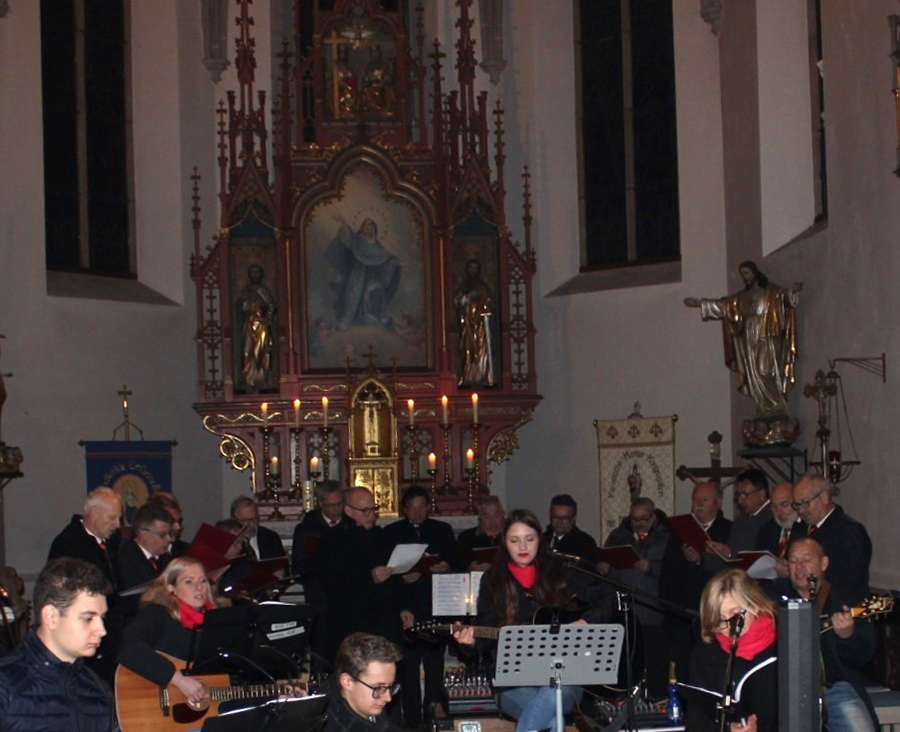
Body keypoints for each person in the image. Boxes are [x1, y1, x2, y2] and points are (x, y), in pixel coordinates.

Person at [454, 509, 613, 732]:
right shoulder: (493, 579)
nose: (522, 547)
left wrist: (585, 622)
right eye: (514, 540)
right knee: (549, 717)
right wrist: (469, 643)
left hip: (563, 677)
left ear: (540, 540)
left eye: (529, 539)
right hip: (511, 683)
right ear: (504, 542)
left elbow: (607, 595)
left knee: (553, 693)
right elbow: (486, 633)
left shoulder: (559, 571)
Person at [684, 261, 802, 445]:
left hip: (768, 338)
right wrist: (701, 303)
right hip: (750, 340)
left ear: (755, 273)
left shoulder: (770, 291)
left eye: (747, 273)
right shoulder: (741, 298)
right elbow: (724, 307)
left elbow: (784, 298)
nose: (745, 277)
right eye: (743, 275)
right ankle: (764, 411)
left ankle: (778, 409)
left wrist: (792, 292)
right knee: (755, 374)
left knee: (767, 371)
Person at [774, 537, 878, 731]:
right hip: (781, 686)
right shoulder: (773, 596)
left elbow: (862, 657)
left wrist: (847, 636)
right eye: (793, 561)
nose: (799, 567)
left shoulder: (845, 599)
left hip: (833, 687)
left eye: (806, 560)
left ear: (824, 563)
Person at [0, 558, 114, 731]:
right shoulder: (6, 684)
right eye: (88, 618)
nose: (102, 630)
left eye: (102, 618)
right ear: (51, 617)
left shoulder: (97, 689)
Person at [383, 486, 462, 728]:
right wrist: (400, 577)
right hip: (406, 605)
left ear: (429, 507)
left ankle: (433, 712)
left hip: (435, 603)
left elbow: (457, 561)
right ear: (404, 509)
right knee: (407, 664)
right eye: (412, 507)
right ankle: (412, 717)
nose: (417, 512)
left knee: (434, 663)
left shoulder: (442, 529)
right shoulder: (391, 532)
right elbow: (383, 570)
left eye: (422, 506)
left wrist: (445, 566)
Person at [318, 487, 413, 666]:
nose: (371, 515)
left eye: (373, 509)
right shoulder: (333, 540)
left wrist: (404, 608)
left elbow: (394, 578)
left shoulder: (382, 537)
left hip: (386, 621)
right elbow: (333, 585)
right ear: (348, 511)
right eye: (365, 511)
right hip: (353, 623)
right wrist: (370, 578)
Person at [118, 556, 229, 705]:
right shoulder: (158, 613)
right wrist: (178, 680)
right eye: (189, 581)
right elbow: (129, 647)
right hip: (153, 707)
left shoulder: (218, 620)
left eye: (203, 580)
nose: (199, 587)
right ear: (171, 588)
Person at [687, 568, 777, 732]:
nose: (729, 627)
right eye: (719, 620)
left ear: (755, 605)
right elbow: (696, 719)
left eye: (736, 614)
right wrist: (727, 728)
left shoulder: (781, 647)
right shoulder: (705, 652)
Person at [599, 497, 670, 698]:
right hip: (623, 613)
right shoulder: (617, 536)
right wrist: (605, 568)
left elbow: (674, 573)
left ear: (653, 516)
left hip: (652, 613)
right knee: (624, 668)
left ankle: (657, 705)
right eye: (634, 519)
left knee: (655, 667)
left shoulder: (665, 537)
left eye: (643, 519)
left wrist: (651, 568)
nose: (639, 523)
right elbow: (609, 568)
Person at [660, 481, 733, 679]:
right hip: (681, 612)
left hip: (714, 612)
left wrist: (700, 560)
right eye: (695, 499)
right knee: (683, 668)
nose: (698, 503)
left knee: (710, 670)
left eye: (704, 499)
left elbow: (731, 571)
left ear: (718, 502)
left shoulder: (729, 530)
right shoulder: (678, 530)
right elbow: (667, 570)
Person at [292, 481, 354, 674]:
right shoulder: (307, 529)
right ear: (321, 504)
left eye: (339, 504)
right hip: (321, 601)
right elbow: (299, 568)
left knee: (348, 657)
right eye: (331, 505)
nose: (337, 509)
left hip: (346, 601)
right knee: (321, 656)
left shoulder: (350, 525)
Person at [790, 473, 872, 599]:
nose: (801, 510)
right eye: (797, 505)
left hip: (842, 610)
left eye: (805, 503)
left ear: (824, 497)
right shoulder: (799, 529)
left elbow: (852, 579)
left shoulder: (850, 531)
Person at [325, 216, 401, 332]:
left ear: (374, 229)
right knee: (353, 296)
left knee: (374, 293)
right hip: (358, 273)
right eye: (366, 226)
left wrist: (397, 263)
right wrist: (344, 223)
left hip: (372, 275)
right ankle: (346, 323)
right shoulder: (358, 240)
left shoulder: (376, 244)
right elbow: (348, 239)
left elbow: (384, 257)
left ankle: (371, 319)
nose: (368, 229)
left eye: (370, 226)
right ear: (362, 227)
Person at [324, 632, 403, 732]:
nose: (388, 698)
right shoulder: (335, 726)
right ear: (347, 681)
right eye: (378, 688)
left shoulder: (365, 707)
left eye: (390, 687)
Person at [48, 487, 123, 586]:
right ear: (94, 513)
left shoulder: (115, 542)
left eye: (119, 518)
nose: (118, 525)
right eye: (112, 518)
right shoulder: (67, 544)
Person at [707, 469, 772, 557]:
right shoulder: (740, 520)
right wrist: (699, 559)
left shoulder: (773, 518)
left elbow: (762, 558)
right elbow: (726, 556)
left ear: (761, 494)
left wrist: (730, 552)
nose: (740, 501)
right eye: (738, 495)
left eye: (745, 494)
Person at [115, 502, 175, 594]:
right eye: (162, 534)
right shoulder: (124, 560)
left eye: (169, 533)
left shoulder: (167, 559)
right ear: (143, 533)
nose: (169, 539)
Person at [454, 258, 496, 388]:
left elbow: (489, 302)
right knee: (467, 348)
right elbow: (458, 302)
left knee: (481, 348)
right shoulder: (463, 286)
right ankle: (468, 376)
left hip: (480, 322)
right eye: (471, 267)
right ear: (467, 270)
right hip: (466, 322)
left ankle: (482, 376)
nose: (473, 270)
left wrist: (483, 306)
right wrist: (464, 300)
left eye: (475, 268)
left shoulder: (483, 287)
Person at [238, 264, 276, 389]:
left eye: (257, 272)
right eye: (252, 272)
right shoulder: (245, 290)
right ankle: (248, 378)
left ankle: (261, 379)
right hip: (249, 324)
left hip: (260, 325)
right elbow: (241, 307)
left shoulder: (263, 290)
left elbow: (271, 305)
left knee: (260, 353)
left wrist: (267, 318)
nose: (255, 275)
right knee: (247, 352)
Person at [754, 481, 798, 576]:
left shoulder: (805, 530)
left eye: (784, 505)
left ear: (796, 503)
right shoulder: (766, 530)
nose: (779, 511)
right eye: (774, 506)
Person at [230, 495, 287, 561]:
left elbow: (283, 565)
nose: (251, 524)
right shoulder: (232, 543)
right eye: (246, 520)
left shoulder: (271, 538)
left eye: (254, 519)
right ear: (235, 520)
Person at [457, 496, 504, 571]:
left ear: (502, 515)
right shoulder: (466, 537)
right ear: (480, 518)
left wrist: (493, 568)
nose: (492, 521)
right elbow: (458, 566)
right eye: (487, 516)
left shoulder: (511, 536)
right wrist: (469, 568)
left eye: (496, 516)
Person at [145, 492, 190, 557]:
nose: (177, 527)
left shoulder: (187, 552)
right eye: (171, 522)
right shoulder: (134, 551)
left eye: (178, 521)